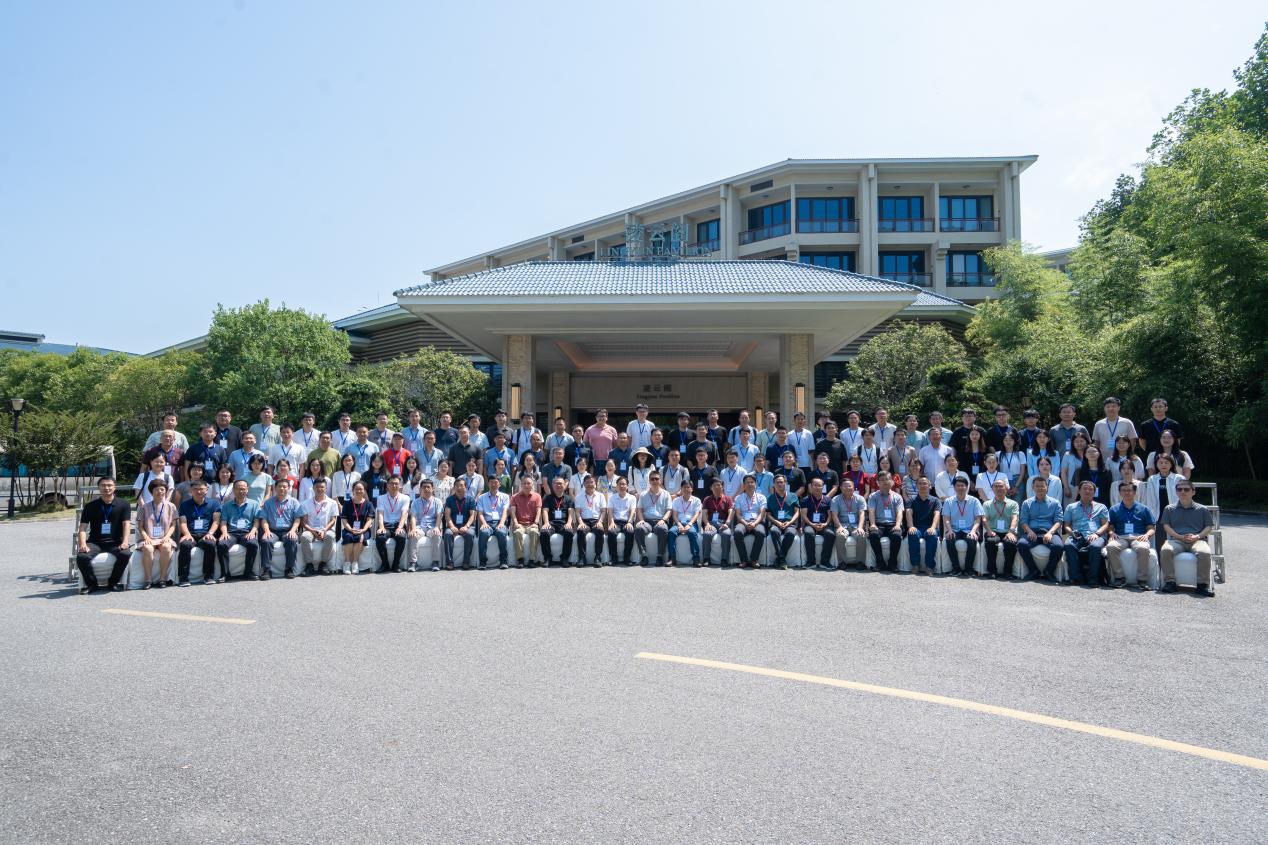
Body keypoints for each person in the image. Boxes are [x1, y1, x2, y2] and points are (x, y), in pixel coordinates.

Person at [1158, 480, 1215, 596]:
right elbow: (1166, 526)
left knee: (1205, 552)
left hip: (1198, 540)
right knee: (1165, 550)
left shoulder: (1202, 509)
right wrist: (1179, 536)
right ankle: (1170, 582)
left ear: (1193, 492)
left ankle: (1202, 585)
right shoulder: (1169, 508)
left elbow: (1209, 527)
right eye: (1179, 489)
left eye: (1186, 489)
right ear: (1176, 492)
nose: (1183, 492)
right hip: (1176, 540)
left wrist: (1197, 536)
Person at [1106, 481, 1155, 590]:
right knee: (1111, 547)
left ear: (1135, 492)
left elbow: (1151, 528)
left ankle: (1142, 580)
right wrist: (1111, 532)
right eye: (1124, 490)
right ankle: (1119, 577)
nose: (1127, 493)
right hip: (1120, 537)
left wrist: (1147, 535)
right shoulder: (1114, 509)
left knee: (1143, 548)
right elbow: (1110, 526)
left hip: (1138, 537)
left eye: (1129, 490)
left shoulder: (1144, 509)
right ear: (1120, 493)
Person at [1062, 480, 1110, 586]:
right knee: (1068, 545)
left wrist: (1097, 534)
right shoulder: (1071, 507)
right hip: (1077, 535)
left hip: (1096, 535)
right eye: (1084, 489)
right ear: (1079, 491)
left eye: (1090, 489)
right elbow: (1066, 525)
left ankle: (1094, 579)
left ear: (1094, 492)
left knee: (1095, 547)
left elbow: (1105, 525)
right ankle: (1076, 578)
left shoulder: (1101, 507)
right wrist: (1071, 533)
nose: (1087, 491)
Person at [1017, 477, 1063, 581]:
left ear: (1047, 487)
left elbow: (1059, 521)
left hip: (1049, 532)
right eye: (1037, 486)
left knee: (1058, 546)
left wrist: (1050, 533)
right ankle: (1033, 570)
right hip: (1032, 532)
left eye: (1042, 486)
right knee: (1021, 544)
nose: (1040, 488)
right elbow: (1023, 521)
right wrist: (1029, 531)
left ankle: (1049, 571)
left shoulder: (1055, 503)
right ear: (1033, 488)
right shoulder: (1027, 503)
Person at [175, 479, 220, 586]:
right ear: (190, 490)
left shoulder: (214, 503)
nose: (198, 491)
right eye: (195, 489)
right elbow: (183, 522)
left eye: (201, 489)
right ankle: (183, 577)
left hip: (206, 533)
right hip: (190, 533)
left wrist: (210, 533)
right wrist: (187, 534)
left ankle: (208, 576)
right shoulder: (184, 505)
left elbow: (216, 521)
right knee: (185, 545)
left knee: (210, 544)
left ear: (206, 490)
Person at [136, 478, 176, 589]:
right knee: (148, 548)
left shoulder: (171, 506)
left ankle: (162, 579)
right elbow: (140, 526)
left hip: (164, 537)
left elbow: (173, 525)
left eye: (162, 489)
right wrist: (146, 537)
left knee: (166, 547)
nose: (160, 492)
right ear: (151, 491)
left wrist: (167, 537)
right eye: (157, 489)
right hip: (148, 537)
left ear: (166, 491)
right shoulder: (144, 507)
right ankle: (148, 580)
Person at [216, 480, 260, 580]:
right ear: (233, 490)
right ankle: (225, 574)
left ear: (247, 490)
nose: (241, 491)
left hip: (247, 532)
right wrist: (224, 533)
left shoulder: (254, 504)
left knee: (253, 544)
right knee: (222, 544)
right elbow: (223, 522)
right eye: (238, 489)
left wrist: (252, 532)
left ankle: (248, 572)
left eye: (243, 489)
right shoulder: (226, 505)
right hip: (231, 532)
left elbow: (256, 521)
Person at [258, 478, 301, 579]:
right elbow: (263, 519)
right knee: (266, 541)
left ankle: (289, 569)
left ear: (288, 488)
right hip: (273, 531)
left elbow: (297, 519)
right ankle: (266, 570)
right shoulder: (268, 502)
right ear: (275, 488)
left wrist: (293, 531)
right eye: (279, 486)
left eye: (284, 487)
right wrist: (267, 531)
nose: (282, 488)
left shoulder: (294, 502)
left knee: (292, 540)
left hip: (288, 530)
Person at [941, 476, 983, 576]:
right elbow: (946, 518)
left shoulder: (974, 501)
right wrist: (949, 530)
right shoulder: (948, 501)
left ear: (967, 487)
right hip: (954, 529)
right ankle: (956, 568)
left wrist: (973, 531)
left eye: (962, 485)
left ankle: (969, 569)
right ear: (954, 487)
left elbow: (978, 519)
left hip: (969, 529)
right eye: (958, 485)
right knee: (949, 538)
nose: (960, 488)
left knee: (972, 540)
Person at [299, 479, 339, 575]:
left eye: (322, 487)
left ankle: (323, 564)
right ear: (313, 488)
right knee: (304, 536)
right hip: (311, 529)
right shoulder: (306, 503)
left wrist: (324, 530)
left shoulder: (332, 503)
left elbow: (333, 520)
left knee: (330, 536)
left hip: (327, 529)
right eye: (317, 487)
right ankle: (309, 565)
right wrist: (313, 531)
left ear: (326, 488)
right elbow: (304, 522)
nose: (319, 489)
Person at [982, 478, 1019, 579]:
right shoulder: (987, 504)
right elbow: (984, 519)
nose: (998, 488)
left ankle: (1008, 572)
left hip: (1008, 531)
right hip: (993, 531)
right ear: (992, 489)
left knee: (1011, 543)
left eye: (1001, 486)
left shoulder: (1013, 504)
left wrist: (1011, 532)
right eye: (996, 486)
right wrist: (989, 531)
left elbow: (1015, 518)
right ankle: (992, 571)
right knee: (990, 542)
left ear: (1006, 488)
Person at [867, 471, 904, 571]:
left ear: (891, 482)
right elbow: (871, 512)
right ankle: (880, 563)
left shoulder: (898, 497)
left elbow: (899, 513)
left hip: (893, 524)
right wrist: (873, 524)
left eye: (887, 479)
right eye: (882, 480)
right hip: (879, 524)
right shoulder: (873, 496)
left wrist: (898, 525)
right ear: (878, 483)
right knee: (873, 535)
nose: (884, 482)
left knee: (897, 536)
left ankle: (892, 563)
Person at [903, 476, 940, 574]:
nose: (923, 485)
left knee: (932, 535)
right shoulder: (911, 499)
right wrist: (911, 526)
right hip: (917, 527)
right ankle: (915, 565)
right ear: (916, 486)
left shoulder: (935, 500)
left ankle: (929, 566)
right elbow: (908, 513)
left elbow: (937, 514)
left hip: (930, 527)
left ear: (930, 486)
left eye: (925, 483)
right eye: (920, 483)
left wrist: (933, 527)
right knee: (912, 534)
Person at [374, 475, 411, 572]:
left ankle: (396, 564)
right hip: (386, 524)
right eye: (391, 483)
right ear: (387, 485)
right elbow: (380, 513)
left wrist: (400, 527)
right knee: (380, 537)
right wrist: (381, 526)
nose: (394, 486)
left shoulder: (405, 498)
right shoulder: (381, 498)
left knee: (401, 537)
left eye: (396, 484)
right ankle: (385, 564)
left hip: (398, 524)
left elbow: (404, 513)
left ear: (400, 485)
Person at [634, 472, 671, 566]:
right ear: (649, 481)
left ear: (660, 481)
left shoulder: (666, 494)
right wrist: (641, 520)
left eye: (656, 479)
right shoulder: (643, 494)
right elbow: (639, 509)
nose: (654, 481)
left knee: (663, 529)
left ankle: (660, 556)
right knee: (638, 529)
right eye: (652, 479)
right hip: (647, 521)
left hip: (660, 520)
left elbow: (669, 510)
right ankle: (644, 555)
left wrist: (663, 520)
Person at [830, 478, 869, 569]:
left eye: (849, 486)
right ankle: (842, 562)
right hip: (842, 525)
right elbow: (834, 515)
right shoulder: (835, 499)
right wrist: (839, 527)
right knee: (840, 535)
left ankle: (860, 562)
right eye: (844, 486)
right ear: (840, 488)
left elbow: (862, 514)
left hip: (856, 525)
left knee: (861, 535)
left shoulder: (860, 498)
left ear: (853, 487)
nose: (847, 488)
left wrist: (860, 527)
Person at [476, 474, 511, 569]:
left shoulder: (505, 496)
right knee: (483, 533)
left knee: (501, 533)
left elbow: (505, 512)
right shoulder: (481, 497)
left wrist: (502, 523)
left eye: (495, 482)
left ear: (499, 484)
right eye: (491, 482)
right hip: (487, 523)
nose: (493, 484)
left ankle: (503, 561)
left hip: (500, 521)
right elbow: (480, 513)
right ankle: (482, 562)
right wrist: (484, 523)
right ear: (488, 484)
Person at [732, 474, 767, 569]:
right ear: (744, 485)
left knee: (761, 532)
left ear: (755, 484)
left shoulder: (761, 497)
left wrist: (754, 523)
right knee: (737, 532)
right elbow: (738, 514)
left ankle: (753, 560)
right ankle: (743, 560)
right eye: (747, 482)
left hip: (757, 522)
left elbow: (761, 514)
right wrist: (746, 523)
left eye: (752, 482)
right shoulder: (738, 498)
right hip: (743, 521)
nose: (750, 484)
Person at [407, 479, 443, 571]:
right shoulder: (415, 502)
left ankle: (435, 562)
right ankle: (413, 563)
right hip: (420, 527)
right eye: (424, 487)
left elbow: (439, 516)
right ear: (420, 489)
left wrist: (437, 527)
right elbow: (413, 517)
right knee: (413, 535)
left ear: (433, 489)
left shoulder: (437, 501)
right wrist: (413, 529)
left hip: (432, 526)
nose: (426, 489)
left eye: (428, 487)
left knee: (436, 534)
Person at [765, 474, 799, 569]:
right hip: (776, 523)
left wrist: (790, 522)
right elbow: (768, 515)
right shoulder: (770, 498)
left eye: (781, 482)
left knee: (790, 533)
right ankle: (782, 559)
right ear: (774, 485)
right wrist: (777, 522)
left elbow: (797, 512)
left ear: (785, 483)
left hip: (790, 523)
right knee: (774, 531)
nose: (779, 484)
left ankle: (779, 558)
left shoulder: (793, 496)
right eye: (777, 483)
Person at [443, 476, 478, 570]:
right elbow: (447, 515)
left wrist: (466, 526)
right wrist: (451, 526)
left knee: (470, 534)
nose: (459, 488)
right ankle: (449, 562)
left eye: (462, 485)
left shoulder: (471, 499)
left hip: (467, 526)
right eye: (457, 486)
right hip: (453, 525)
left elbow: (472, 516)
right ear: (454, 487)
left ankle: (466, 562)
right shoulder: (449, 499)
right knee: (447, 534)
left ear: (465, 487)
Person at [540, 476, 576, 567]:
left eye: (560, 483)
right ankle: (548, 558)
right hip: (551, 523)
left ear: (564, 485)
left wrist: (569, 523)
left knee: (569, 532)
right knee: (544, 532)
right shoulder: (547, 498)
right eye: (556, 483)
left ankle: (564, 558)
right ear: (552, 485)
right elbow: (545, 511)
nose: (558, 485)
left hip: (563, 524)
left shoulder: (568, 498)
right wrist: (546, 522)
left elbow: (571, 512)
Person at [341, 480, 375, 574]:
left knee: (360, 537)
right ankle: (347, 562)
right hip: (349, 528)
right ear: (353, 490)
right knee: (348, 537)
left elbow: (369, 520)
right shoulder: (347, 503)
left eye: (361, 489)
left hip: (364, 529)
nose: (359, 491)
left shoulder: (369, 504)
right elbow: (344, 520)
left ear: (364, 491)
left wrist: (363, 530)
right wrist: (350, 529)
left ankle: (355, 562)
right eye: (356, 489)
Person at [799, 477, 834, 569]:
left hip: (824, 524)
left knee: (830, 534)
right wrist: (812, 524)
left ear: (823, 487)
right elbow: (804, 515)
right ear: (811, 486)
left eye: (819, 485)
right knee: (808, 533)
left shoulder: (828, 500)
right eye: (815, 485)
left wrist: (826, 524)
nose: (817, 487)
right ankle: (811, 562)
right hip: (810, 524)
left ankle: (825, 562)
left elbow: (830, 515)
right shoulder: (805, 500)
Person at [572, 474, 606, 567]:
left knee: (600, 531)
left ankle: (597, 557)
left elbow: (603, 511)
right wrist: (581, 522)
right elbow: (577, 512)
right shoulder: (579, 496)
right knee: (580, 531)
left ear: (595, 484)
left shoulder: (601, 496)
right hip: (584, 521)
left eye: (592, 482)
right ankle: (582, 557)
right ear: (584, 484)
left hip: (596, 520)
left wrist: (600, 522)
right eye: (587, 482)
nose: (590, 484)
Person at [509, 476, 543, 567]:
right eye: (524, 483)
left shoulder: (537, 496)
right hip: (520, 524)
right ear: (521, 484)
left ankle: (532, 559)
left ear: (532, 485)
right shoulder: (514, 497)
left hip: (532, 524)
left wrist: (536, 523)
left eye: (528, 483)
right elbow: (512, 512)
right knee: (517, 532)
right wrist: (516, 523)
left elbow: (538, 511)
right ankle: (520, 559)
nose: (526, 485)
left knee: (534, 532)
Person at [668, 482, 703, 567]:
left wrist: (689, 524)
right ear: (681, 489)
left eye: (688, 487)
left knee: (692, 533)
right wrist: (679, 524)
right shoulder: (676, 500)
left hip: (691, 523)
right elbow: (674, 515)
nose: (686, 489)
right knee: (671, 532)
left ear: (692, 489)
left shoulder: (697, 500)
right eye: (684, 487)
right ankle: (672, 559)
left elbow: (696, 514)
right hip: (679, 522)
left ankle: (696, 559)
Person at [701, 477, 733, 568]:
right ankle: (706, 559)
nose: (717, 487)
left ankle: (724, 559)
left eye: (719, 485)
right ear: (711, 488)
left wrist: (727, 523)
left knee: (726, 534)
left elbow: (731, 512)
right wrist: (707, 524)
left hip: (723, 524)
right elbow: (704, 513)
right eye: (714, 485)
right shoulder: (707, 499)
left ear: (722, 487)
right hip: (711, 524)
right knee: (706, 534)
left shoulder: (728, 499)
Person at [606, 476, 638, 566]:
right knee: (611, 532)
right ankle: (614, 558)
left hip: (627, 521)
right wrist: (611, 522)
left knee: (630, 532)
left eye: (624, 484)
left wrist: (630, 522)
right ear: (616, 486)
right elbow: (610, 512)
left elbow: (633, 511)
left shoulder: (632, 498)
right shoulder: (612, 498)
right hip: (615, 521)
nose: (622, 486)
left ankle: (627, 558)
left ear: (627, 486)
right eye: (620, 484)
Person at [1060, 432, 1093, 500]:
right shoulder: (1068, 455)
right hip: (1072, 488)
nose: (1079, 443)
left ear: (1086, 442)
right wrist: (1066, 487)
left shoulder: (1091, 454)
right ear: (1072, 443)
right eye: (1076, 442)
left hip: (1088, 488)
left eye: (1081, 441)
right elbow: (1063, 472)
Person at [996, 431, 1026, 502]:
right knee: (1005, 505)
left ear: (1014, 441)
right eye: (1005, 440)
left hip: (1018, 481)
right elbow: (997, 470)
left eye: (1010, 439)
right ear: (1002, 441)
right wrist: (1004, 485)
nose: (1008, 442)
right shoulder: (998, 454)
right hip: (1003, 481)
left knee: (1017, 505)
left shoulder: (1020, 454)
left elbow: (1022, 472)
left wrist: (1016, 486)